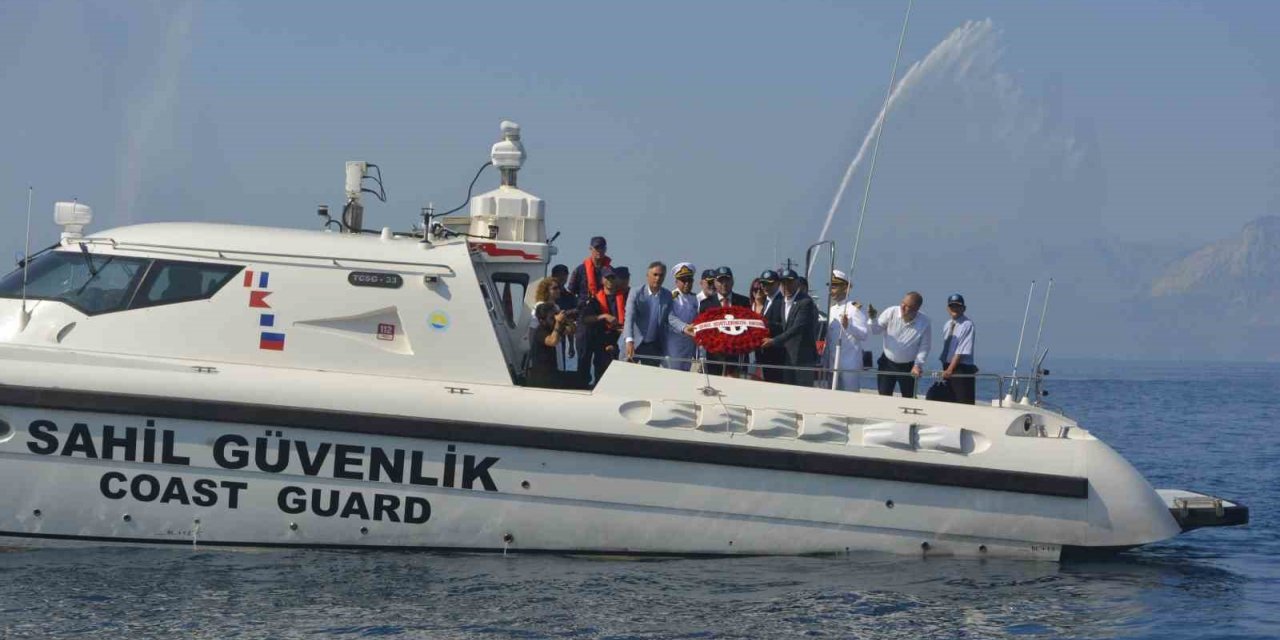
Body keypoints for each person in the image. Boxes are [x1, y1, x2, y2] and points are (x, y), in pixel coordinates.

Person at [760, 269, 819, 387]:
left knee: (803, 393)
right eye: (783, 283)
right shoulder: (783, 301)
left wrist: (774, 341)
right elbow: (783, 326)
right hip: (788, 358)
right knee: (787, 392)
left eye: (789, 282)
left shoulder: (805, 302)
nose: (786, 286)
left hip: (802, 359)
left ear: (797, 283)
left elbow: (797, 328)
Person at [565, 236, 611, 384]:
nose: (599, 251)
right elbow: (570, 293)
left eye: (602, 248)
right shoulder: (580, 270)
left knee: (602, 361)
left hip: (603, 323)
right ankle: (581, 386)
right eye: (596, 248)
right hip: (584, 321)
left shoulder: (609, 271)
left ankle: (599, 387)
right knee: (583, 358)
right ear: (590, 249)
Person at [870, 291, 932, 398]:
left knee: (909, 398)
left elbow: (925, 347)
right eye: (902, 303)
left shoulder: (924, 322)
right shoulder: (891, 312)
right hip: (887, 363)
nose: (902, 307)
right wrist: (873, 319)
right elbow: (875, 331)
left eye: (907, 306)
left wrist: (917, 365)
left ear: (916, 309)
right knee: (883, 396)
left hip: (909, 367)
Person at [698, 266, 750, 376]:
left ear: (733, 281)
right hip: (714, 360)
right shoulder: (706, 304)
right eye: (720, 281)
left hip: (737, 359)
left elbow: (748, 330)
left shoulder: (744, 302)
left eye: (727, 280)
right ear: (715, 282)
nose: (724, 284)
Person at [822, 270, 869, 391]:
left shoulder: (854, 309)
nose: (831, 290)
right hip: (833, 364)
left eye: (834, 286)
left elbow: (864, 334)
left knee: (850, 397)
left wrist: (848, 326)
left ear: (844, 288)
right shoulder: (832, 309)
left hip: (849, 365)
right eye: (830, 286)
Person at [582, 266, 626, 385]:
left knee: (619, 376)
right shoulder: (594, 300)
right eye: (607, 278)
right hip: (601, 341)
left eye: (612, 278)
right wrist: (604, 316)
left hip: (620, 340)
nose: (610, 280)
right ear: (602, 280)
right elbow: (585, 319)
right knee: (601, 374)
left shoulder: (625, 297)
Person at [624, 261, 672, 366]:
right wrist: (629, 340)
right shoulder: (636, 292)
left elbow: (671, 318)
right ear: (647, 276)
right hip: (633, 343)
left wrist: (684, 328)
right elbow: (629, 317)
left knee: (650, 375)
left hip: (653, 346)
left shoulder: (667, 295)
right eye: (655, 274)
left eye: (661, 275)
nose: (658, 278)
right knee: (624, 373)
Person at [939, 293, 978, 404]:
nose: (954, 308)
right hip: (948, 366)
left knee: (963, 400)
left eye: (958, 306)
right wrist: (945, 367)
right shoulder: (947, 324)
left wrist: (950, 369)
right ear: (948, 308)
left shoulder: (967, 324)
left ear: (963, 308)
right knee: (949, 399)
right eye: (952, 306)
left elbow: (961, 350)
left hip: (961, 367)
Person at [526, 302, 574, 389]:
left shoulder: (552, 328)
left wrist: (565, 319)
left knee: (584, 377)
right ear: (542, 320)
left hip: (553, 374)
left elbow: (572, 329)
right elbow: (553, 341)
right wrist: (558, 322)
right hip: (542, 378)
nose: (554, 319)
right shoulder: (540, 331)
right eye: (551, 318)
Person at [665, 262, 699, 370]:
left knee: (686, 372)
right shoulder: (670, 297)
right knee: (674, 373)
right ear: (676, 282)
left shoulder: (695, 298)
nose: (687, 283)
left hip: (689, 343)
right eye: (684, 280)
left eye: (690, 280)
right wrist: (684, 327)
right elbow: (670, 318)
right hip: (674, 343)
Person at [757, 269, 785, 383]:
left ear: (778, 284)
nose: (765, 287)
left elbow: (784, 326)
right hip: (766, 354)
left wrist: (765, 324)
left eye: (769, 283)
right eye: (763, 283)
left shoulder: (782, 301)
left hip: (777, 355)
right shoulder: (767, 301)